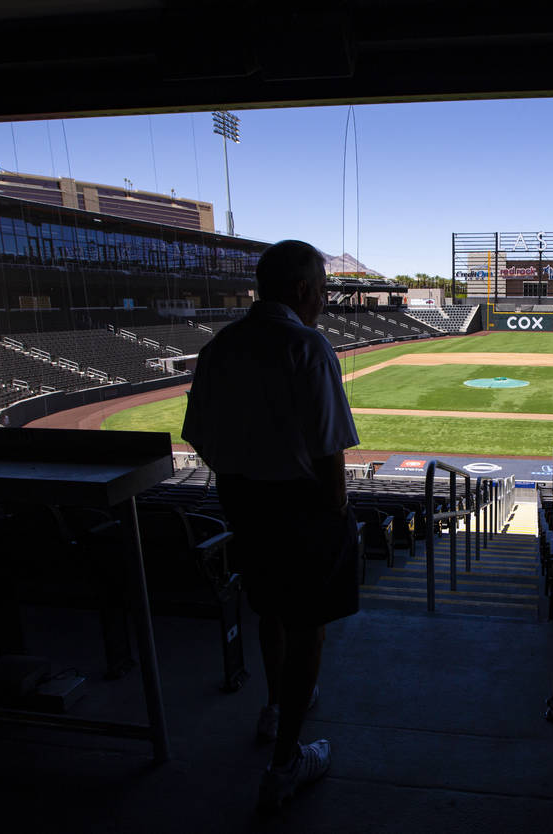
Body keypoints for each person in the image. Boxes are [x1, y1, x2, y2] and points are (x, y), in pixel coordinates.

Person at [182, 239, 359, 813]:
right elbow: (330, 447)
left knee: (270, 610)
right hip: (303, 505)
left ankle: (275, 706)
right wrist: (334, 509)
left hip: (240, 500)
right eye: (324, 289)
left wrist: (243, 476)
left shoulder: (219, 347)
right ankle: (285, 762)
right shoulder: (308, 346)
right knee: (309, 626)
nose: (327, 300)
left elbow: (198, 437)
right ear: (303, 289)